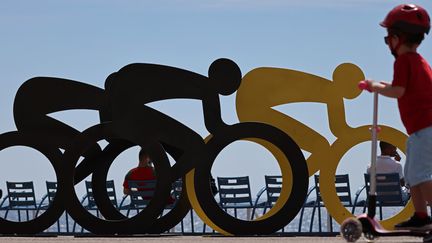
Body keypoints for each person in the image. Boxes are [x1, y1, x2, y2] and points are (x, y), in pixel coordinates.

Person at [363, 4, 432, 231]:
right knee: (412, 176)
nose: (388, 44)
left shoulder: (404, 61)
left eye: (388, 39)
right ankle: (421, 217)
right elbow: (401, 87)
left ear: (398, 37)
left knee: (420, 176)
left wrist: (376, 87)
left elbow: (398, 91)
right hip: (419, 130)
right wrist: (379, 85)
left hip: (424, 129)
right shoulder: (418, 61)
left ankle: (425, 216)